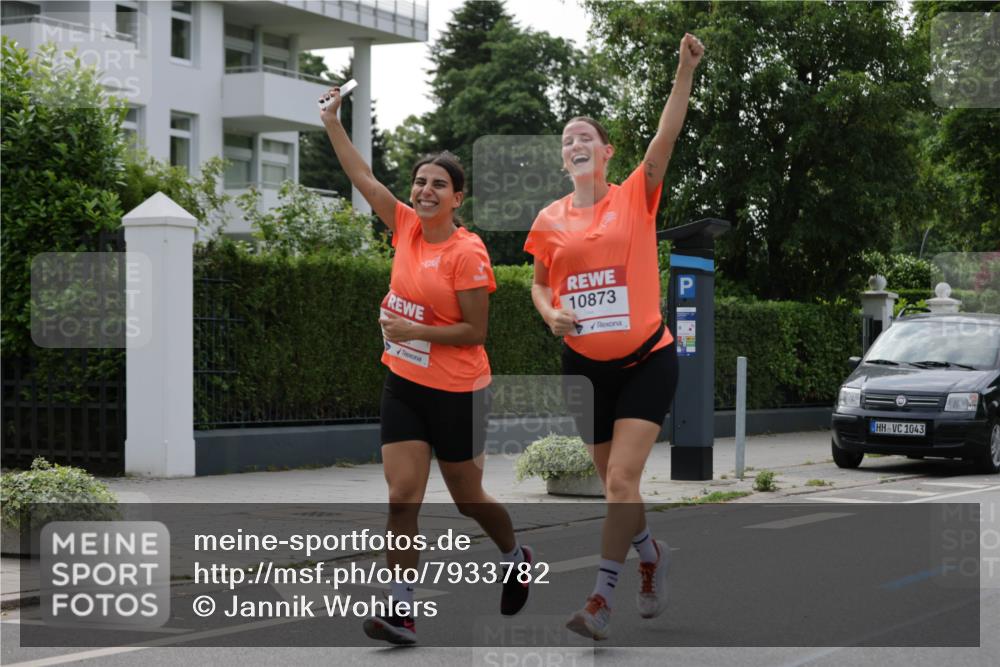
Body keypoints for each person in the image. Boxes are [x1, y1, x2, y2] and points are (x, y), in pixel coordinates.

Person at [319, 84, 531, 646]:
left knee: (467, 499)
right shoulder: (406, 227)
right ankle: (401, 611)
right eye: (420, 181)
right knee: (401, 496)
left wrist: (414, 330)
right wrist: (332, 121)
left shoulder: (468, 252)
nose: (426, 190)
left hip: (458, 390)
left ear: (458, 197)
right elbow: (363, 178)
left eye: (439, 184)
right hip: (405, 384)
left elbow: (475, 332)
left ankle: (515, 555)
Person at [523, 33, 705, 640]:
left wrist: (683, 72)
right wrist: (549, 314)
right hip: (583, 367)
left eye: (586, 137)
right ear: (563, 160)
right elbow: (540, 286)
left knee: (622, 482)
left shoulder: (635, 197)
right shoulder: (548, 220)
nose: (576, 143)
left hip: (648, 360)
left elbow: (667, 136)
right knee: (612, 485)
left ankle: (600, 600)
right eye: (567, 139)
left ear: (606, 153)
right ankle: (651, 553)